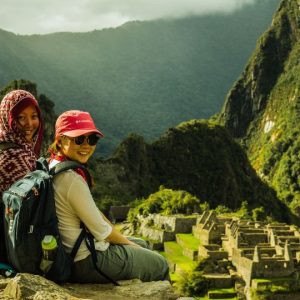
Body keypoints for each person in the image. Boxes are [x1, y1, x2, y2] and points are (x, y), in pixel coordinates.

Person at [48, 110, 169, 283]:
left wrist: (132, 244)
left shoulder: (53, 164)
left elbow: (94, 213)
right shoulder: (71, 179)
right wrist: (131, 245)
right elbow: (103, 232)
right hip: (86, 260)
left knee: (145, 245)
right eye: (79, 139)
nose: (86, 145)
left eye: (92, 139)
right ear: (60, 141)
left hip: (70, 253)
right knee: (160, 264)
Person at [0, 89, 44, 262]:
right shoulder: (16, 156)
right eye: (21, 117)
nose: (29, 123)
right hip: (10, 249)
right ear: (8, 119)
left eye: (34, 116)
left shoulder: (8, 145)